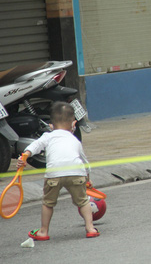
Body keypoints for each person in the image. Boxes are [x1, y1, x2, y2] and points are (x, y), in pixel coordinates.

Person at [17, 102, 99, 240]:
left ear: (50, 126)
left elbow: (36, 145)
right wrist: (88, 179)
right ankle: (90, 228)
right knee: (83, 201)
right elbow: (85, 163)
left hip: (54, 175)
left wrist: (25, 154)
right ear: (73, 124)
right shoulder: (75, 140)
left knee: (48, 203)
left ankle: (43, 231)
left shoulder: (48, 136)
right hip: (75, 174)